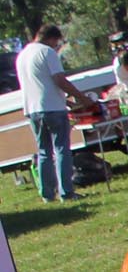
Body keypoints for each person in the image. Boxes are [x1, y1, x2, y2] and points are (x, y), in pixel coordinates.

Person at [13, 24, 90, 202]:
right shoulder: (47, 52)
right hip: (52, 108)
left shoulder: (22, 55)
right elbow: (58, 80)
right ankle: (66, 192)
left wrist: (68, 102)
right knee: (62, 149)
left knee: (44, 152)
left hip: (32, 108)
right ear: (52, 39)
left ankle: (47, 194)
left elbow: (41, 84)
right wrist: (81, 97)